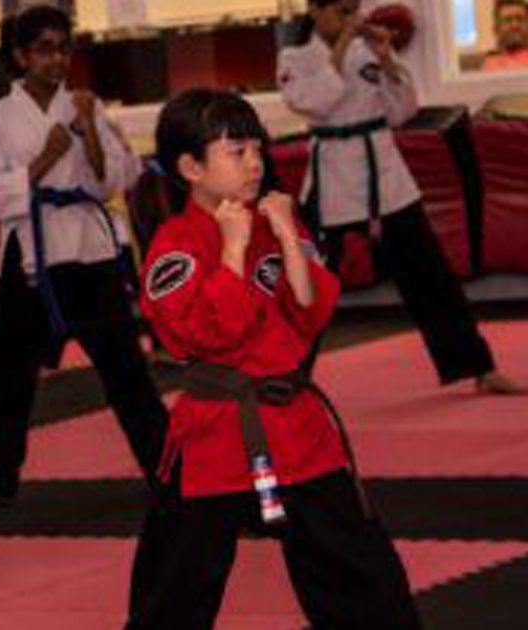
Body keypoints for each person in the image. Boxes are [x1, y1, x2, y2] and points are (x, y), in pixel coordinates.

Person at [129, 88, 421, 630]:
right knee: (174, 589)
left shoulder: (275, 219)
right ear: (190, 167)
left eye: (257, 149)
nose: (255, 162)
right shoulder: (175, 245)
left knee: (362, 574)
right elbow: (211, 335)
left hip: (294, 423)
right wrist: (234, 250)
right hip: (214, 434)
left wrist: (287, 236)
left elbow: (309, 312)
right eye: (236, 152)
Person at [0, 4, 169, 514]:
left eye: (63, 48)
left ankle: (170, 468)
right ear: (20, 55)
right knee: (8, 376)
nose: (57, 59)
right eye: (44, 49)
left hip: (90, 249)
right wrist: (47, 158)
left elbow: (115, 180)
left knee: (127, 371)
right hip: (32, 255)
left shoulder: (86, 105)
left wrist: (91, 130)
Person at [280, 0, 522, 394]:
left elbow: (401, 111)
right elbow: (316, 103)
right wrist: (341, 46)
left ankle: (479, 367)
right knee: (309, 286)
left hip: (387, 176)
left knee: (433, 278)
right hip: (333, 182)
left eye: (352, 11)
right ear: (315, 10)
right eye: (340, 12)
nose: (350, 20)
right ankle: (287, 381)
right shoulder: (296, 57)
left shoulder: (366, 50)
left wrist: (387, 61)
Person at [484, 0, 528, 71]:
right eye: (508, 20)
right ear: (496, 29)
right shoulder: (486, 65)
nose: (515, 25)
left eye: (520, 19)